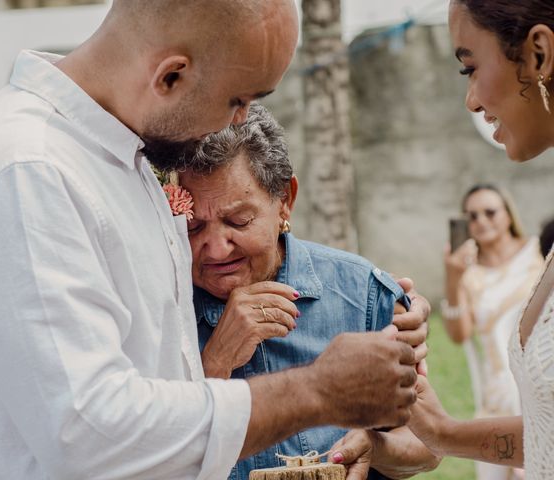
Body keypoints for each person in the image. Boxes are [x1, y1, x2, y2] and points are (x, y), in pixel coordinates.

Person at [0, 1, 419, 479]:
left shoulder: (119, 163)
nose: (240, 121)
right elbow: (88, 434)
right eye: (237, 100)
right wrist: (315, 391)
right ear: (170, 75)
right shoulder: (26, 170)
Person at [179, 103, 437, 480]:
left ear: (285, 198)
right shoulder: (160, 306)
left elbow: (429, 445)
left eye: (239, 221)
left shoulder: (360, 293)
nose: (216, 248)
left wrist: (375, 446)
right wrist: (215, 364)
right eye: (193, 227)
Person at [408, 1, 554, 478]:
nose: (470, 101)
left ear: (538, 54)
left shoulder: (534, 252)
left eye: (470, 67)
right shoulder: (469, 272)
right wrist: (440, 431)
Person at [442, 184, 543, 479]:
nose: (481, 221)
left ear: (508, 214)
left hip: (543, 374)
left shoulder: (539, 252)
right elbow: (459, 334)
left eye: (490, 212)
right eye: (472, 216)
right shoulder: (467, 273)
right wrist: (453, 278)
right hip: (500, 388)